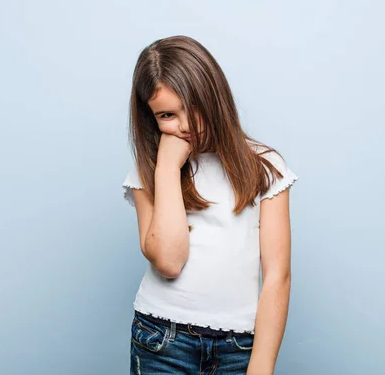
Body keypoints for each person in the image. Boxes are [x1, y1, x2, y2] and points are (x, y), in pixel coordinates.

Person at [122, 35, 298, 375]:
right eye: (167, 115)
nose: (185, 125)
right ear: (151, 117)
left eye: (194, 106)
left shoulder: (266, 166)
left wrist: (261, 366)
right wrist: (169, 168)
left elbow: (278, 275)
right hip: (162, 342)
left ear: (214, 96)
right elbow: (169, 262)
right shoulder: (151, 171)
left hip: (239, 348)